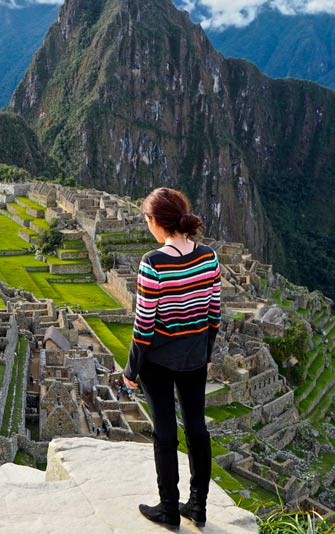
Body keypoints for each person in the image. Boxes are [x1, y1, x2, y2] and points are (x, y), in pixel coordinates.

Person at [122, 187, 221, 530]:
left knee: (165, 431)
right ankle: (198, 507)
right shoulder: (209, 257)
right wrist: (206, 354)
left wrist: (131, 368)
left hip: (159, 361)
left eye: (147, 219)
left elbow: (144, 324)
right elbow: (214, 315)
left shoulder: (153, 263)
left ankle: (168, 510)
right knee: (197, 428)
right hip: (195, 357)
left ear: (155, 222)